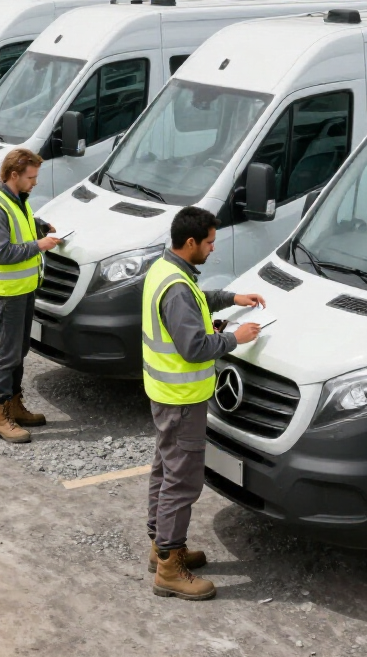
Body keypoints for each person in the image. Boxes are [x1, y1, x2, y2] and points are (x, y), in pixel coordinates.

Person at [143, 206, 264, 601]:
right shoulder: (176, 287)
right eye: (210, 242)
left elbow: (196, 302)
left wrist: (231, 297)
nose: (213, 248)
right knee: (182, 481)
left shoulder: (167, 270)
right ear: (191, 242)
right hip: (182, 399)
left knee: (165, 470)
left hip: (166, 395)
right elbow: (194, 346)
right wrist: (236, 338)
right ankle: (169, 570)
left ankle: (163, 546)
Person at [0, 148, 60, 443]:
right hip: (7, 292)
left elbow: (18, 231)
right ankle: (0, 417)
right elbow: (2, 253)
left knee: (18, 352)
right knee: (6, 354)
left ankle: (14, 405)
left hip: (23, 289)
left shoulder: (17, 200)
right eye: (31, 177)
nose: (35, 183)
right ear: (14, 175)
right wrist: (40, 245)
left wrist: (38, 227)